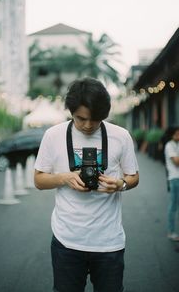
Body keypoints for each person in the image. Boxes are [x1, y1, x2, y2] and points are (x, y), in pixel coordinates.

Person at [34, 77, 139, 292]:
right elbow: (39, 180)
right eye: (81, 118)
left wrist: (120, 185)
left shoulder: (121, 136)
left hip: (109, 241)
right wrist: (65, 177)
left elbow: (133, 177)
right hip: (67, 241)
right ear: (70, 111)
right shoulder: (53, 135)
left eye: (96, 119)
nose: (88, 125)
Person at [164, 126, 179, 242]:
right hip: (175, 179)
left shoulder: (176, 144)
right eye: (177, 134)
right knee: (173, 206)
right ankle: (171, 231)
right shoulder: (170, 145)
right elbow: (176, 162)